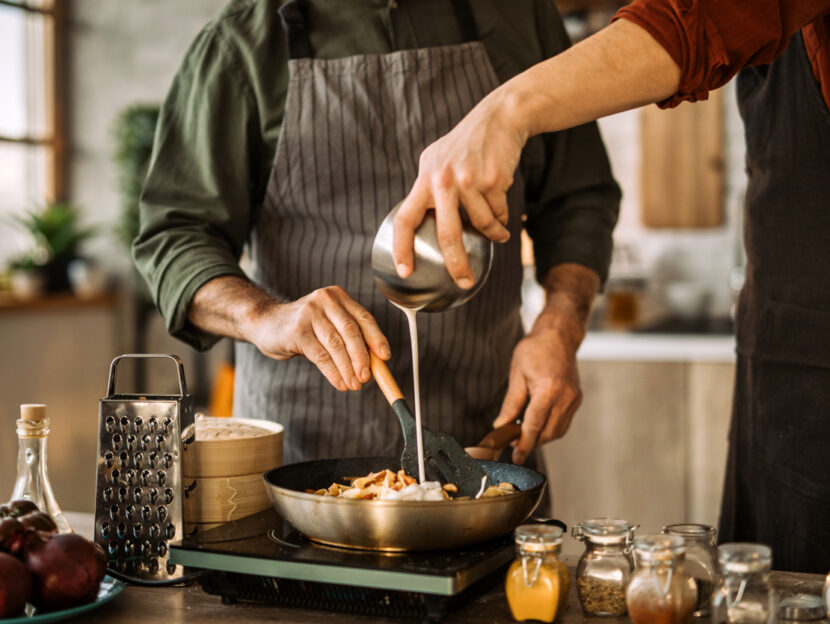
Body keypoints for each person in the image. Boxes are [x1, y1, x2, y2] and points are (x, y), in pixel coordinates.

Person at [391, 0, 830, 573]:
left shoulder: (517, 17)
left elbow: (697, 19)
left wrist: (503, 112)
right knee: (764, 583)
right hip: (783, 359)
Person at [133, 0, 621, 469]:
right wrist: (264, 316)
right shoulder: (240, 42)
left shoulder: (518, 14)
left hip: (485, 448)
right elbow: (175, 235)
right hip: (304, 457)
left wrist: (560, 327)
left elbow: (578, 197)